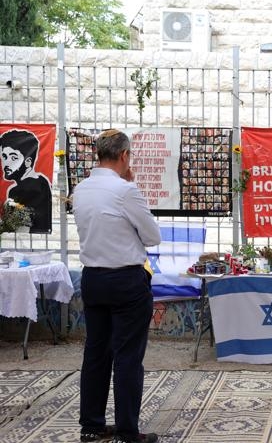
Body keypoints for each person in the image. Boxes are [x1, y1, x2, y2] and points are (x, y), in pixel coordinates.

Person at [72, 129, 161, 443]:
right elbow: (152, 237)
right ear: (124, 156)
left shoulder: (80, 189)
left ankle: (92, 425)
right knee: (127, 355)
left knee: (96, 353)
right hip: (126, 280)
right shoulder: (125, 190)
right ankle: (127, 430)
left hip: (93, 277)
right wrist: (131, 186)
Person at [0, 129, 52, 233]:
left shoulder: (22, 188)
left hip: (29, 236)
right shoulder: (42, 181)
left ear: (28, 162)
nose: (7, 163)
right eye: (4, 157)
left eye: (14, 158)